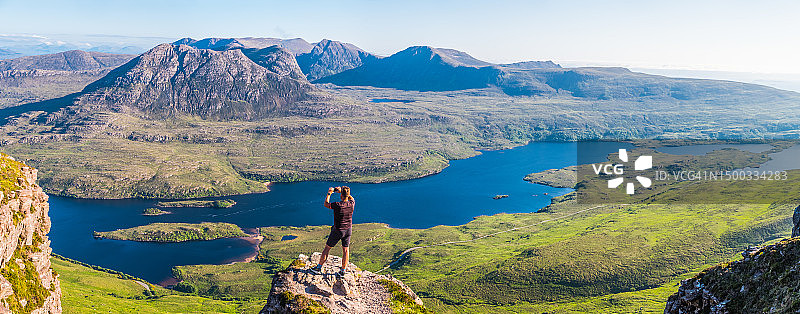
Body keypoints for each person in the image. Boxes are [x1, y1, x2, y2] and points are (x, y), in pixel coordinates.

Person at [310, 186, 355, 277]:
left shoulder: (337, 205)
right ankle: (343, 271)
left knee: (327, 248)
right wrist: (343, 192)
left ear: (341, 195)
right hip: (348, 230)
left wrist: (329, 193)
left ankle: (319, 268)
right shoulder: (351, 203)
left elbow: (326, 204)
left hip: (338, 230)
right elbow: (351, 198)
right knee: (346, 250)